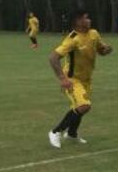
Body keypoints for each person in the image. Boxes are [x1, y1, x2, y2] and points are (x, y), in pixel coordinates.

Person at [47, 9, 112, 148]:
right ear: (78, 21)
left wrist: (106, 50)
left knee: (79, 108)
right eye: (86, 18)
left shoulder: (94, 33)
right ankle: (55, 132)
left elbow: (101, 50)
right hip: (72, 80)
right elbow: (53, 58)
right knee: (84, 106)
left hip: (86, 79)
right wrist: (63, 79)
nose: (89, 20)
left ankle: (72, 133)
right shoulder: (73, 39)